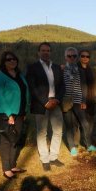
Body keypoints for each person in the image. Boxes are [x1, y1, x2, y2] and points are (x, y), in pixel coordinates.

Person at [26, 42, 65, 171]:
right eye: (43, 50)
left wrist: (57, 99)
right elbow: (32, 88)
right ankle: (45, 159)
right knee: (42, 132)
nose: (46, 52)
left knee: (58, 131)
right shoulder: (32, 67)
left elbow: (62, 86)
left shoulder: (57, 67)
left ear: (51, 52)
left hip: (56, 103)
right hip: (41, 104)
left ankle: (53, 157)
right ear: (39, 52)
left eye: (48, 50)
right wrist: (45, 102)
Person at [0, 51, 30, 179]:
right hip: (6, 113)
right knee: (6, 140)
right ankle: (6, 169)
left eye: (14, 59)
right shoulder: (0, 76)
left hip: (20, 112)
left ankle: (12, 165)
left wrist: (25, 110)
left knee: (16, 139)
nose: (12, 61)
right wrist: (9, 114)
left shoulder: (19, 75)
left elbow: (25, 92)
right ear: (4, 62)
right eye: (9, 59)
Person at [63, 47, 96, 156]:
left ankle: (89, 145)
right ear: (65, 57)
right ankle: (72, 148)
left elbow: (83, 86)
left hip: (78, 100)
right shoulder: (61, 69)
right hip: (65, 101)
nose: (72, 58)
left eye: (74, 56)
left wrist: (83, 100)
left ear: (77, 57)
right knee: (69, 126)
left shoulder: (79, 69)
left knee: (85, 124)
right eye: (69, 56)